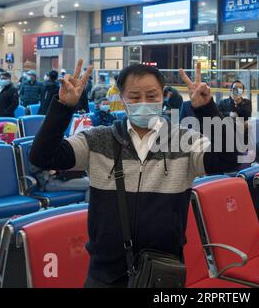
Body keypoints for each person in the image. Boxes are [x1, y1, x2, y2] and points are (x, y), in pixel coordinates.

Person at [29, 59, 239, 288]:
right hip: (105, 271)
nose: (144, 103)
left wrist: (206, 108)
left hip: (162, 271)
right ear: (122, 100)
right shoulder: (98, 140)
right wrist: (63, 106)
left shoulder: (184, 141)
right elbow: (42, 157)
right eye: (135, 97)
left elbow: (227, 159)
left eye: (151, 96)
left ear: (164, 97)